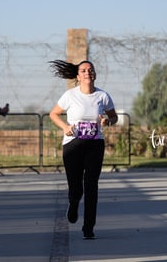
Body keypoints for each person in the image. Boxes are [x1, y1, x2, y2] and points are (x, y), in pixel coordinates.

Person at [49, 60, 118, 240]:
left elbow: (114, 117)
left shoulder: (103, 96)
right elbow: (53, 114)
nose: (88, 72)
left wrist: (107, 122)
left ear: (94, 74)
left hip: (95, 145)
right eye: (84, 70)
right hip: (73, 144)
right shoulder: (69, 95)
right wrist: (65, 127)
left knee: (91, 186)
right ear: (78, 76)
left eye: (91, 70)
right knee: (76, 187)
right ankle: (73, 203)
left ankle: (88, 227)